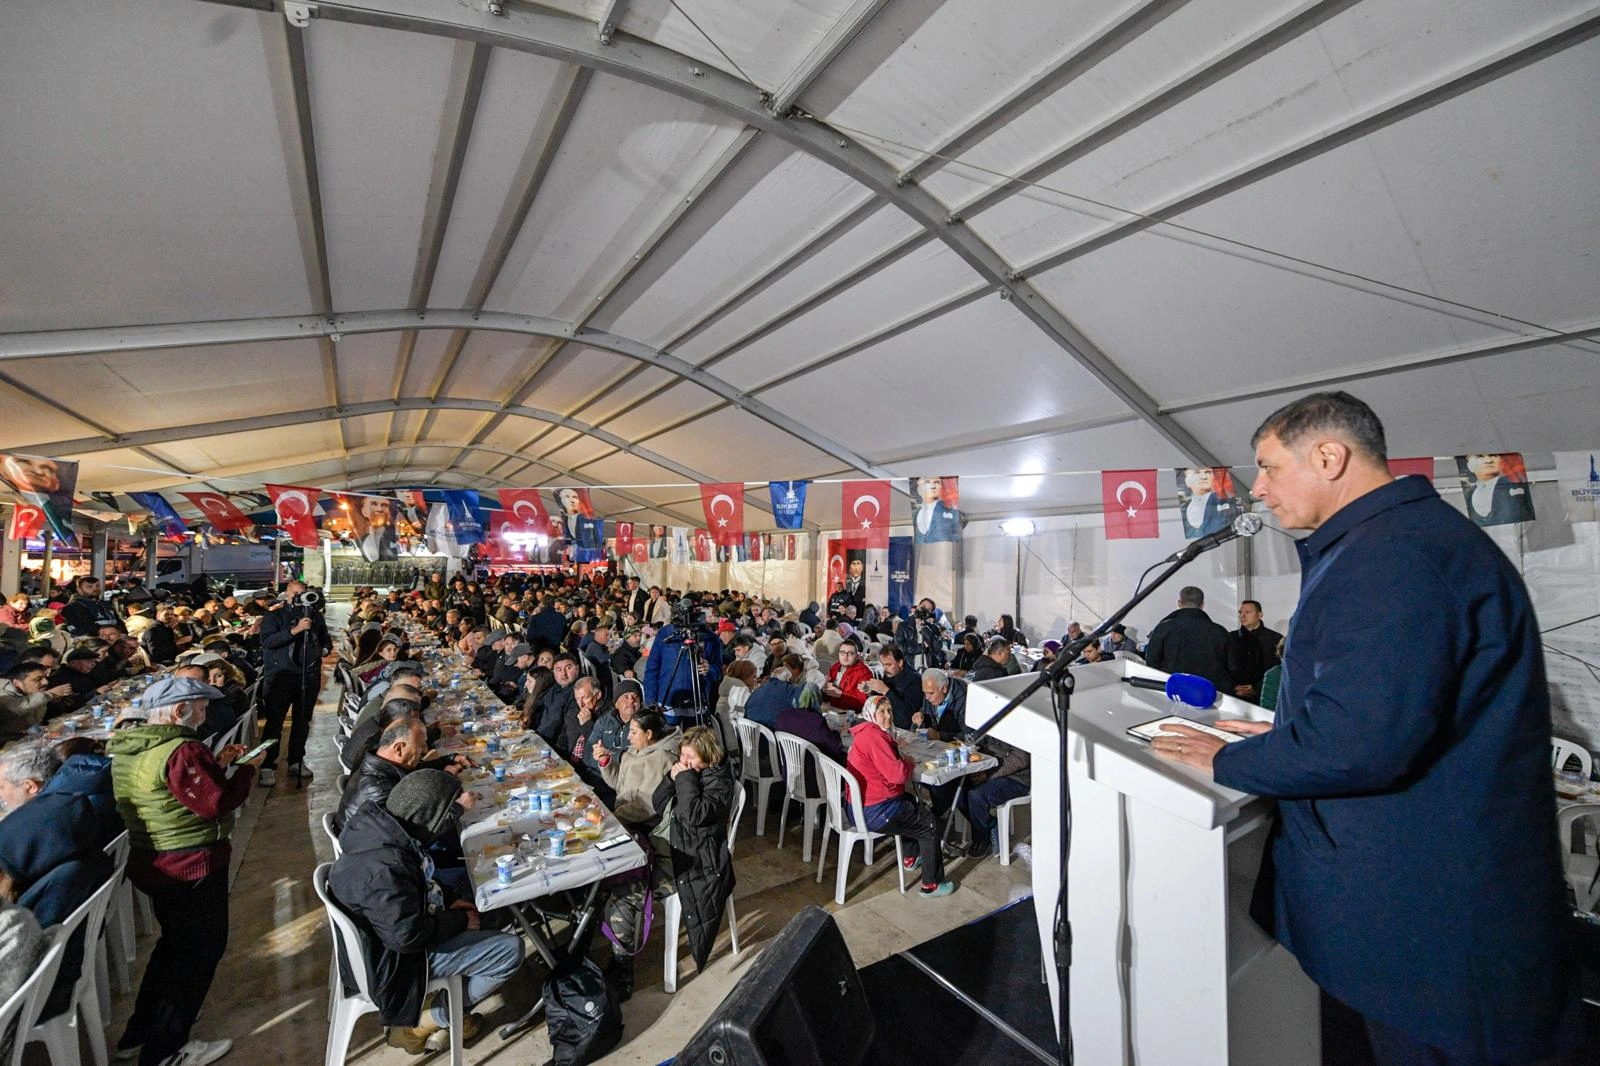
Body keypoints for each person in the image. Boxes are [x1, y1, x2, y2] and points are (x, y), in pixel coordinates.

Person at [1151, 391, 1580, 1065]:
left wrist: (1229, 761)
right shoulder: (1391, 543)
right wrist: (1284, 738)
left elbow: (1358, 744)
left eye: (1269, 467)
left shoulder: (1393, 558)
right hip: (1425, 916)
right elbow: (1377, 704)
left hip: (1428, 927)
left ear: (1329, 456)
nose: (1256, 489)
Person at [109, 675, 265, 1066]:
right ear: (180, 710)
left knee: (173, 946)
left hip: (153, 859)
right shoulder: (182, 749)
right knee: (199, 952)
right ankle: (166, 1050)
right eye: (201, 707)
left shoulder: (133, 746)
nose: (205, 714)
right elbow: (215, 805)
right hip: (190, 864)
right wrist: (247, 770)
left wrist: (218, 764)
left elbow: (166, 791)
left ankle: (140, 1030)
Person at [330, 770, 524, 1054]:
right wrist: (459, 920)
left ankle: (449, 999)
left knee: (486, 906)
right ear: (428, 816)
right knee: (510, 950)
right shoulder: (386, 868)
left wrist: (449, 900)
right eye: (446, 813)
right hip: (395, 964)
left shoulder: (380, 832)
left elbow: (415, 888)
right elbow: (407, 936)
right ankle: (428, 1020)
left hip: (388, 938)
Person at [845, 696, 953, 898]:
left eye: (889, 711)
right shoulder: (875, 738)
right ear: (871, 714)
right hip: (877, 812)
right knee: (929, 825)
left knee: (910, 801)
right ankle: (932, 884)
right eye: (882, 712)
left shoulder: (865, 732)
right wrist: (908, 763)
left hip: (859, 807)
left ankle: (910, 857)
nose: (888, 716)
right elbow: (898, 776)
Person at [649, 726, 736, 973]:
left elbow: (694, 815)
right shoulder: (691, 773)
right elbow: (657, 804)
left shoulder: (718, 782)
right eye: (682, 755)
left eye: (691, 757)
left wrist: (683, 778)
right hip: (674, 843)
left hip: (697, 859)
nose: (684, 761)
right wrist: (670, 778)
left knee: (632, 887)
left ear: (708, 758)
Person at [257, 581, 331, 786]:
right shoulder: (274, 616)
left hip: (308, 674)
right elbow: (268, 642)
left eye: (304, 593)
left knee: (302, 721)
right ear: (287, 595)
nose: (300, 597)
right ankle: (267, 765)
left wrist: (322, 650)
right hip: (281, 675)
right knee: (274, 723)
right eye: (296, 593)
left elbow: (325, 639)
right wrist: (295, 630)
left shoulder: (315, 616)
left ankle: (296, 761)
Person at [593, 709, 681, 826]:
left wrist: (612, 819)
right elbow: (620, 785)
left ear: (648, 734)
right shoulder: (636, 748)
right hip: (621, 812)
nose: (628, 737)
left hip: (640, 824)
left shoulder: (662, 759)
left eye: (634, 732)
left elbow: (645, 805)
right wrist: (605, 762)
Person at [1141, 587, 1236, 693]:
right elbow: (1233, 667)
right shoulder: (1220, 631)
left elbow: (1151, 662)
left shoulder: (1163, 628)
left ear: (1179, 603)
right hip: (1211, 694)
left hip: (1174, 691)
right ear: (1202, 605)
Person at [959, 736, 1030, 860]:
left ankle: (981, 838)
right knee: (957, 792)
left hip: (1016, 778)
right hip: (988, 768)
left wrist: (989, 774)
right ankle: (990, 824)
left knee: (976, 796)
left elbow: (1021, 759)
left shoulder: (1016, 728)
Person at [0, 661, 71, 739]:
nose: (46, 682)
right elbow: (19, 708)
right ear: (17, 683)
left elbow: (33, 721)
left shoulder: (32, 694)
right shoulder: (3, 692)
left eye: (45, 678)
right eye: (38, 679)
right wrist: (50, 694)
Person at [1229, 600, 1282, 703]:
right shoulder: (1230, 638)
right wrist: (1233, 687)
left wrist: (1257, 688)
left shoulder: (1275, 639)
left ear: (1259, 615)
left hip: (1264, 697)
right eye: (1240, 612)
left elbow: (1278, 669)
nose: (1242, 616)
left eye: (1248, 612)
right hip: (1234, 697)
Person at [862, 645, 920, 729]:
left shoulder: (914, 679)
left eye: (889, 665)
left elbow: (908, 713)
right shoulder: (891, 673)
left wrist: (886, 690)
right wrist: (871, 691)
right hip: (887, 722)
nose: (885, 669)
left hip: (905, 727)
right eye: (883, 665)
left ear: (900, 663)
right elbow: (883, 699)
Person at [914, 668, 966, 739]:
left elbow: (970, 736)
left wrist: (939, 736)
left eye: (931, 693)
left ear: (944, 689)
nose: (927, 698)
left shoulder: (964, 698)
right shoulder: (931, 691)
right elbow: (927, 714)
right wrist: (921, 716)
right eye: (925, 693)